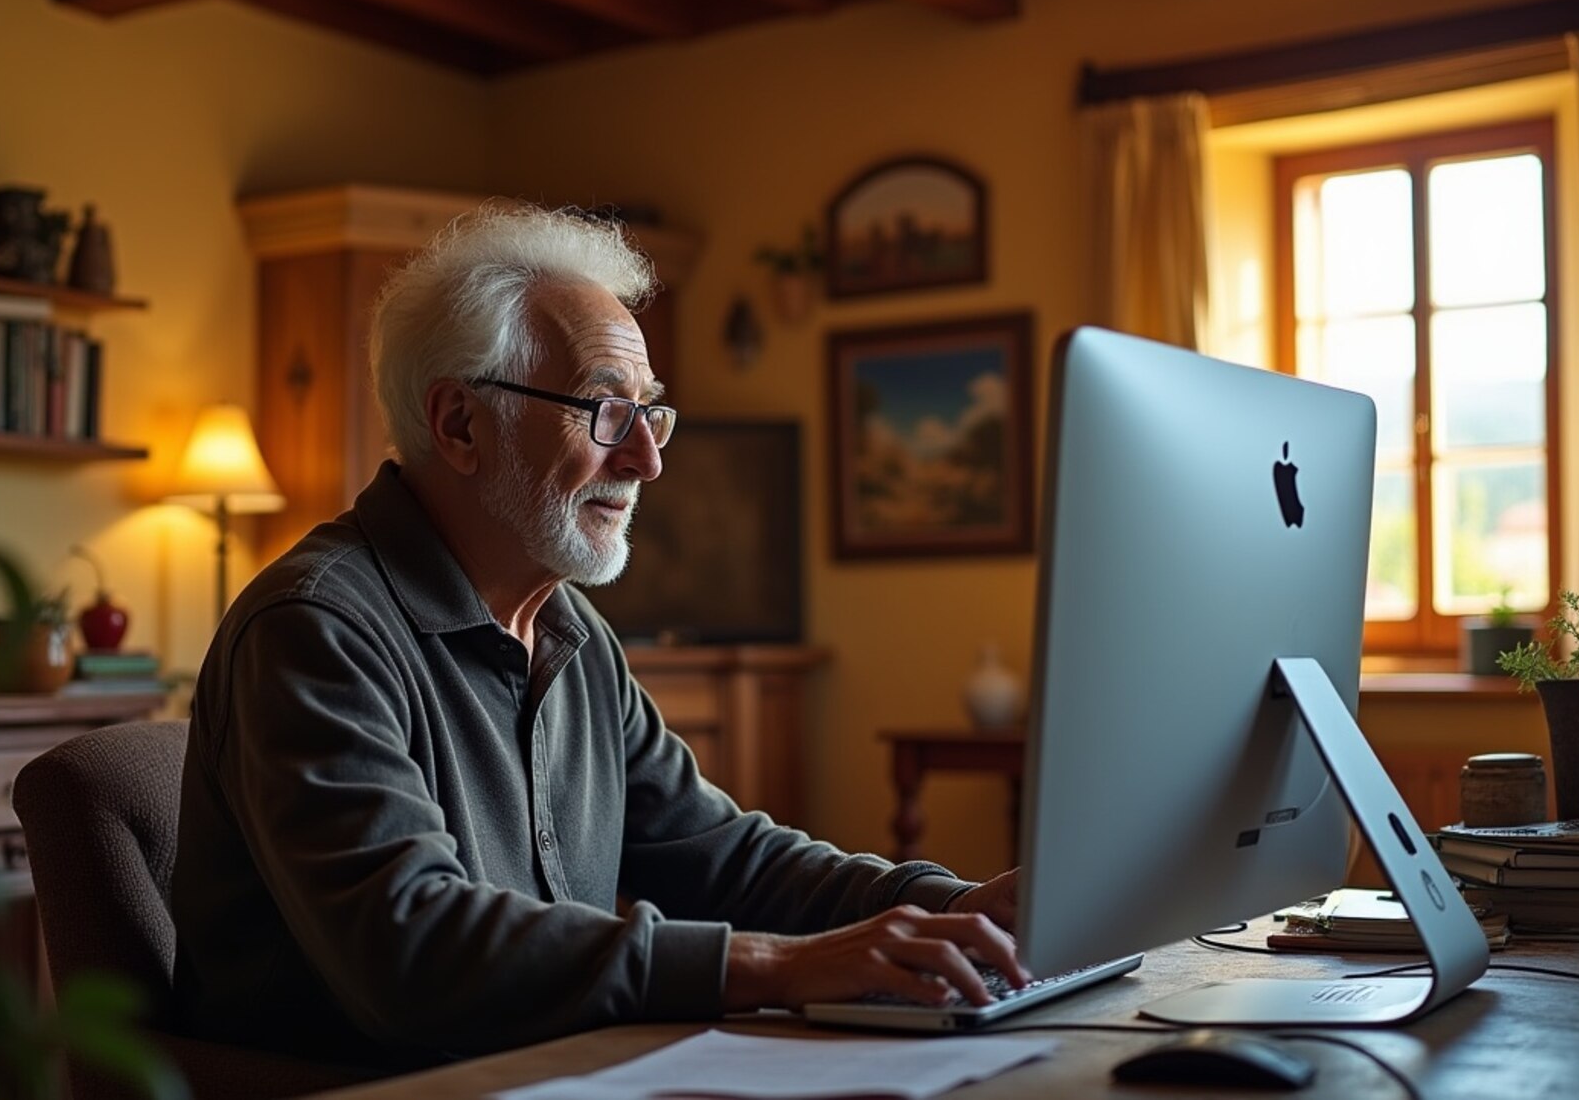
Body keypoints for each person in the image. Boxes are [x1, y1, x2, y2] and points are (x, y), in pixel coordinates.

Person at [170, 204, 1027, 1073]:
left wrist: (956, 909)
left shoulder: (570, 632)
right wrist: (779, 964)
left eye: (649, 414)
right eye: (604, 412)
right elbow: (411, 951)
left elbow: (722, 859)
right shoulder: (313, 630)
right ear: (460, 424)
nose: (646, 461)